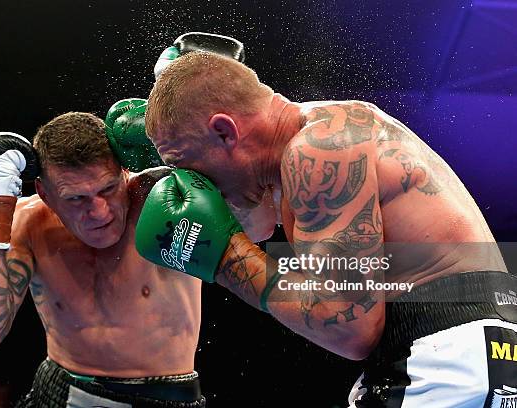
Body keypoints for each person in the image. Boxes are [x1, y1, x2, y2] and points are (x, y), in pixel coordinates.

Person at [135, 50, 517, 407]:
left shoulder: (319, 151)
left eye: (185, 164)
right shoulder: (310, 140)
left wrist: (224, 258)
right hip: (465, 351)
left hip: (446, 359)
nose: (189, 181)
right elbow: (260, 226)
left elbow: (350, 329)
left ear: (224, 131)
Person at [0, 113, 204, 407]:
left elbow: (264, 223)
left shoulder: (165, 200)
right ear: (45, 193)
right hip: (59, 389)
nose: (99, 212)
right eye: (76, 199)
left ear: (124, 172)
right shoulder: (27, 222)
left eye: (108, 189)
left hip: (163, 396)